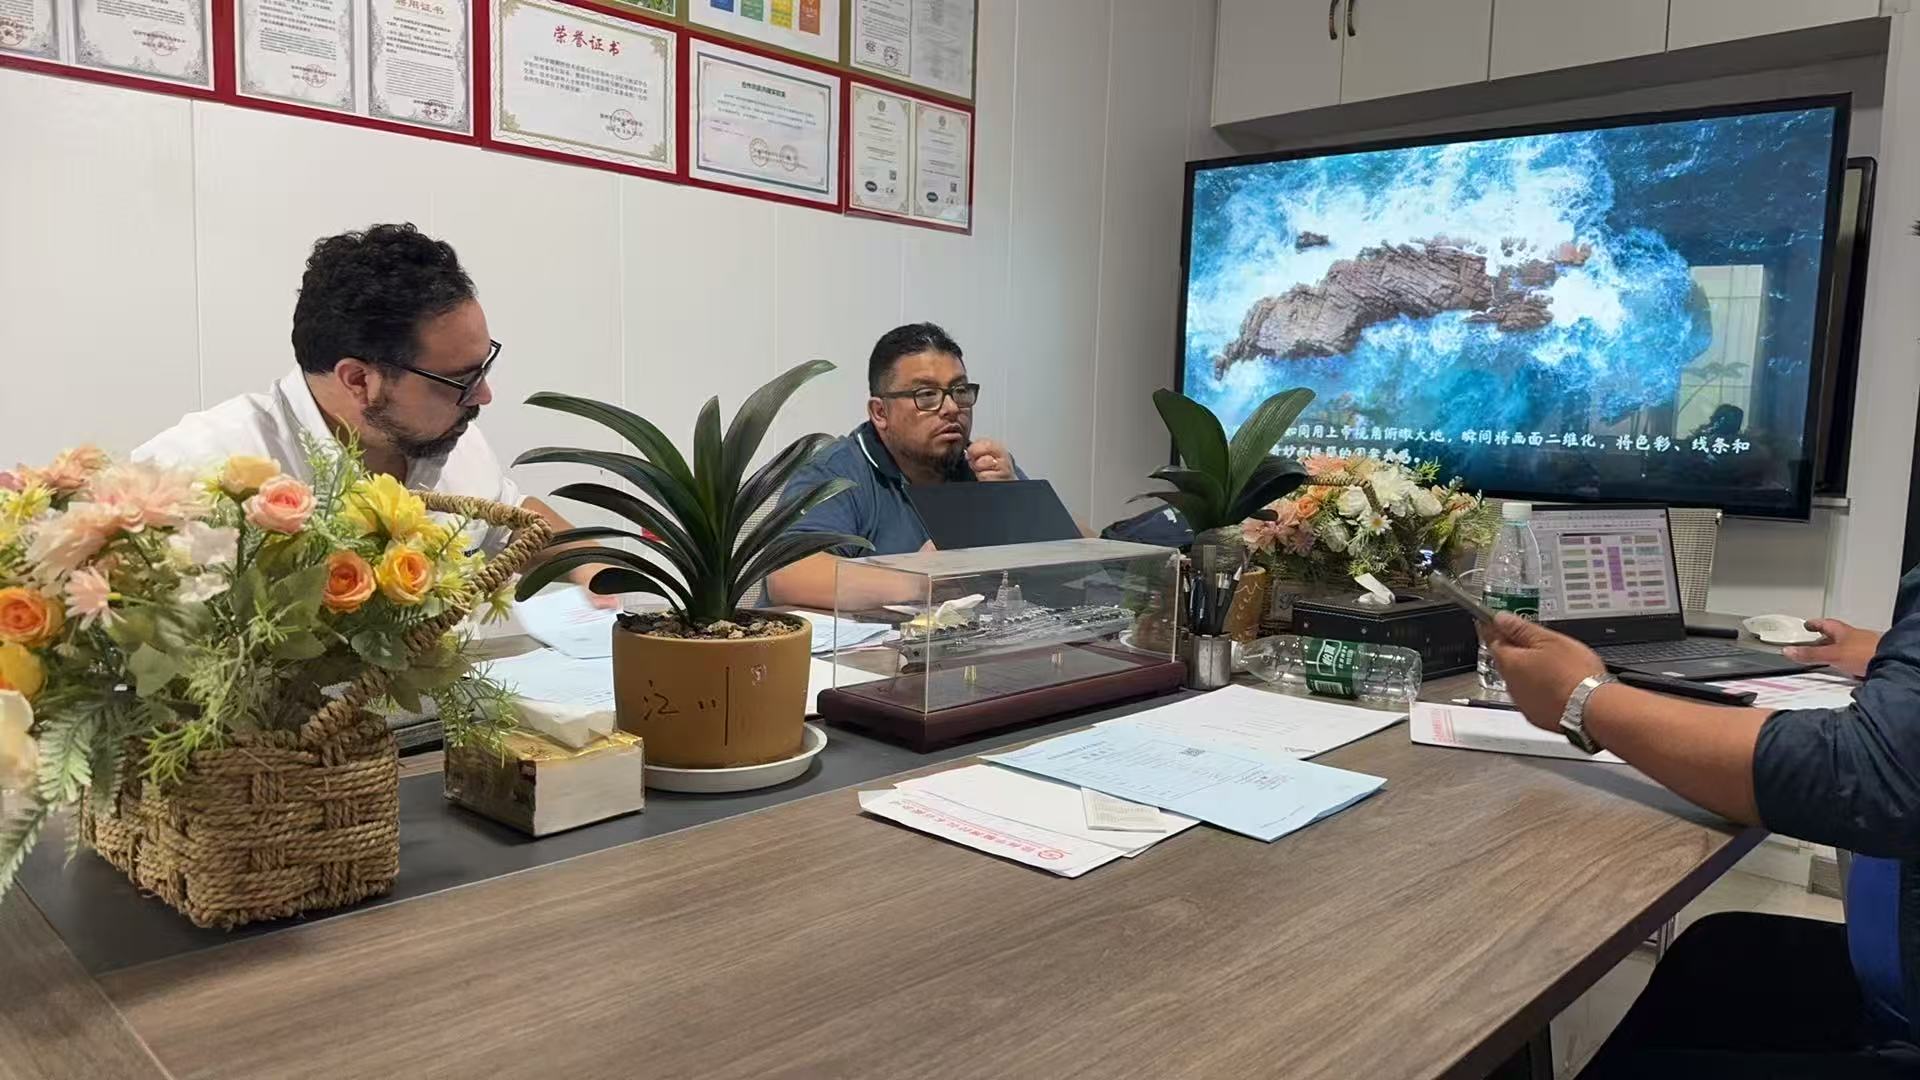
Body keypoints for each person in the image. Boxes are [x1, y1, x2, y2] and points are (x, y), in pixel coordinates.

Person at [1482, 592, 1920, 1078]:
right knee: (1717, 953)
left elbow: (1860, 773)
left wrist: (1584, 698)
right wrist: (1894, 649)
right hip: (1889, 973)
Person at [135, 224, 612, 602]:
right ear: (359, 380)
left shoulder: (447, 434)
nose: (483, 395)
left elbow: (511, 520)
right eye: (461, 380)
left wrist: (595, 567)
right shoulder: (197, 469)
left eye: (483, 367)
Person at [764, 323, 1028, 609]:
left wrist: (1017, 499)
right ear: (880, 413)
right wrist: (920, 579)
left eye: (960, 390)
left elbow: (1067, 557)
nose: (952, 407)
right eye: (927, 394)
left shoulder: (985, 469)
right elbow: (787, 574)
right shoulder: (837, 472)